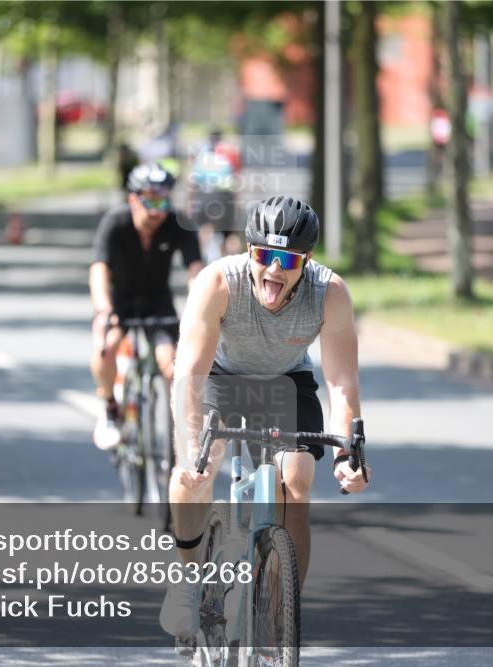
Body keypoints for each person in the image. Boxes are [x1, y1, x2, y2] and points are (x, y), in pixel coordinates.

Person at [160, 195, 370, 638]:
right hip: (220, 377)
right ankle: (187, 579)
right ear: (249, 251)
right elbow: (189, 375)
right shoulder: (219, 282)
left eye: (287, 260)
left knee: (296, 481)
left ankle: (279, 614)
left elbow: (341, 383)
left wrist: (346, 455)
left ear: (307, 260)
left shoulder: (329, 292)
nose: (274, 270)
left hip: (286, 382)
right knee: (193, 474)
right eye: (264, 256)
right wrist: (190, 449)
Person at [89, 163, 204, 450]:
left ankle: (181, 434)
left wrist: (199, 308)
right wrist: (103, 309)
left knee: (173, 365)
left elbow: (196, 271)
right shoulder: (115, 222)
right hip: (120, 302)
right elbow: (99, 268)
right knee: (106, 347)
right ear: (133, 199)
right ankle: (109, 406)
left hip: (157, 302)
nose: (157, 211)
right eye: (150, 202)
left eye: (163, 202)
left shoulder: (178, 223)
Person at [189, 128, 242, 263]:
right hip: (224, 197)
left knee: (204, 230)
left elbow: (192, 184)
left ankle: (200, 263)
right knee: (229, 234)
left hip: (204, 196)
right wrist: (235, 208)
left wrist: (190, 205)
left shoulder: (201, 158)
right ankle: (233, 266)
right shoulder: (227, 158)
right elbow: (234, 185)